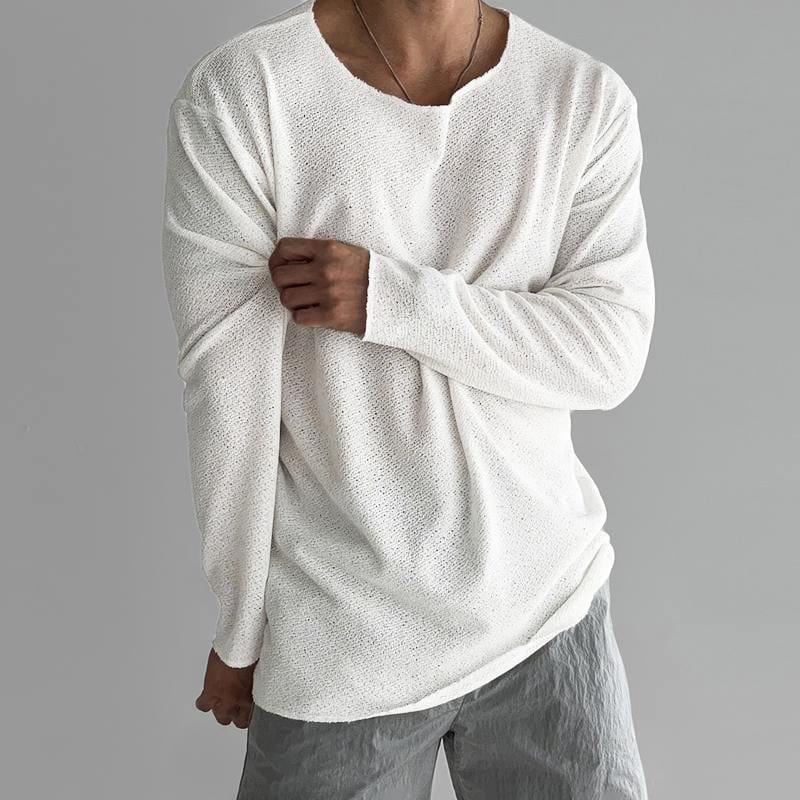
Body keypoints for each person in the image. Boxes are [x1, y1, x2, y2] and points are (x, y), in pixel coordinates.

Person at [161, 0, 655, 797]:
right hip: (344, 641)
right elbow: (229, 402)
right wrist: (241, 624)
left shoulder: (581, 97)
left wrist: (393, 300)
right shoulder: (247, 93)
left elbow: (610, 351)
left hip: (547, 613)